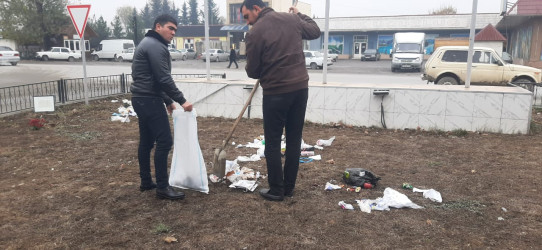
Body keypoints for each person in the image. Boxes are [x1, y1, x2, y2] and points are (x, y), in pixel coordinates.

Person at [241, 0, 320, 201]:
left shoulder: (255, 32)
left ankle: (277, 190)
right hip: (300, 88)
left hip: (276, 92)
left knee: (273, 142)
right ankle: (289, 187)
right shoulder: (291, 19)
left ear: (256, 9)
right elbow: (315, 31)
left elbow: (253, 71)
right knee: (294, 140)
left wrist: (265, 66)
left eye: (247, 16)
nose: (247, 22)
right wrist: (299, 14)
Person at [130, 14, 193, 200]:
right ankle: (163, 188)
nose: (173, 33)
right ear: (158, 26)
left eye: (175, 30)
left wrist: (167, 101)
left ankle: (146, 182)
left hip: (141, 98)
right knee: (165, 141)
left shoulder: (148, 43)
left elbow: (155, 78)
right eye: (170, 28)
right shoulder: (155, 46)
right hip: (148, 100)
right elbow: (163, 78)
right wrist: (182, 100)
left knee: (147, 142)